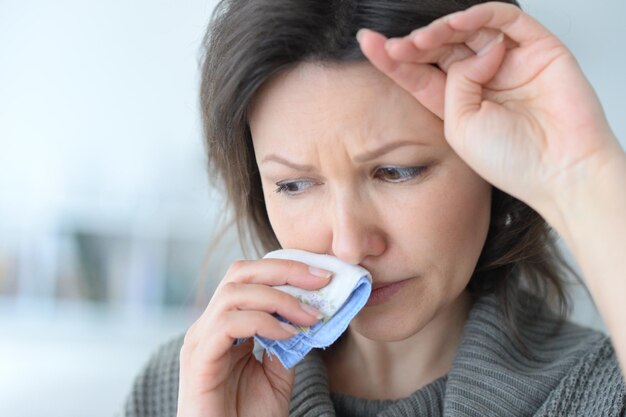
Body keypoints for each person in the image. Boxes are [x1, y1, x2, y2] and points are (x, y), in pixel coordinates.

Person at [123, 0, 626, 416]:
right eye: (295, 184)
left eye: (398, 172)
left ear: (489, 167)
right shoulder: (180, 391)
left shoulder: (599, 390)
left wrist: (584, 173)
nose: (348, 244)